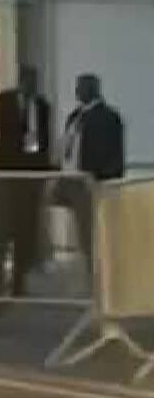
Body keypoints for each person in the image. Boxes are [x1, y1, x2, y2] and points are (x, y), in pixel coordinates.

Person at [0, 65, 52, 299]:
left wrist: (43, 172)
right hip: (4, 172)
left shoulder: (41, 106)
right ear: (21, 82)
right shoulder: (3, 101)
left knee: (24, 232)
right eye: (27, 81)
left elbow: (44, 141)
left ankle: (19, 283)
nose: (31, 86)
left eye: (34, 82)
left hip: (29, 178)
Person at [59, 73, 125, 268]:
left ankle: (98, 271)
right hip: (71, 182)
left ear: (93, 89)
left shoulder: (109, 118)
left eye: (81, 87)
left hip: (93, 185)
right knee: (78, 233)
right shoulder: (74, 117)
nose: (77, 91)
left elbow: (115, 155)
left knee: (95, 234)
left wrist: (101, 181)